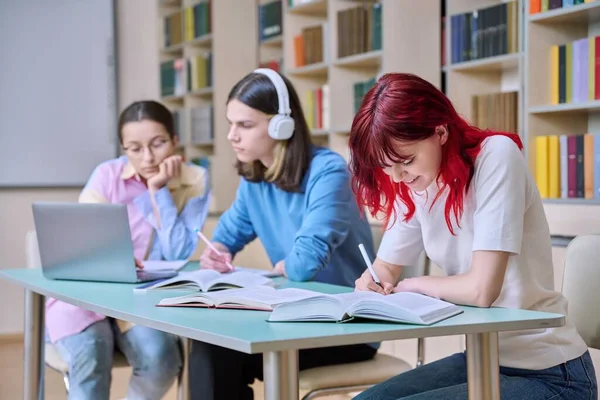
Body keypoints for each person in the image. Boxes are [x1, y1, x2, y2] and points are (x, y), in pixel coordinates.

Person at [347, 72, 597, 399]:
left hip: (552, 373)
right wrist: (370, 282)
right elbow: (385, 270)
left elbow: (481, 289)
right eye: (386, 166)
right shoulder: (418, 182)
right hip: (483, 357)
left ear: (440, 132)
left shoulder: (497, 156)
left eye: (406, 161)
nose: (397, 177)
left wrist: (413, 285)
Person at [188, 68, 378, 400]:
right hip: (290, 317)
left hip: (346, 324)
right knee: (212, 344)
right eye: (231, 124)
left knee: (221, 351)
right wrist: (216, 250)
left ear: (282, 126)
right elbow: (226, 236)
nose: (232, 135)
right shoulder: (255, 179)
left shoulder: (329, 171)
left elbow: (304, 265)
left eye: (245, 125)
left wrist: (286, 267)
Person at [45, 100, 211, 400]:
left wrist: (159, 190)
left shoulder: (193, 179)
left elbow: (177, 253)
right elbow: (84, 241)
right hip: (88, 294)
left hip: (141, 300)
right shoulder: (106, 175)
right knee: (92, 353)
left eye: (158, 144)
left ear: (175, 141)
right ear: (123, 148)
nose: (147, 158)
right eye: (134, 148)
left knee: (161, 359)